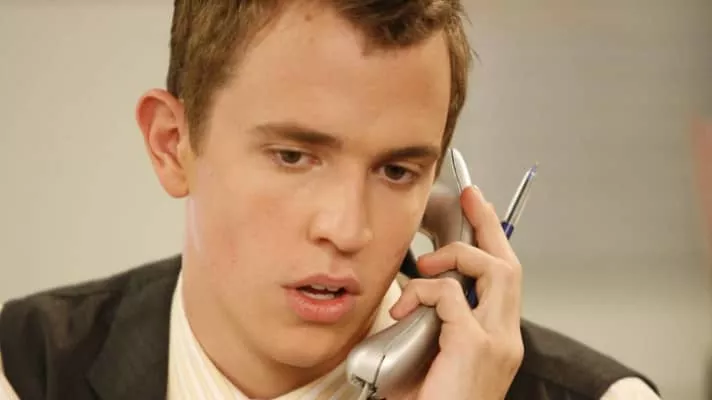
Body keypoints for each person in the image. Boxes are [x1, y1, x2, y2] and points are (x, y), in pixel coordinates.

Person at [0, 1, 662, 399]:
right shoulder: (23, 370)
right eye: (294, 156)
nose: (347, 230)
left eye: (397, 171)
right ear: (173, 145)